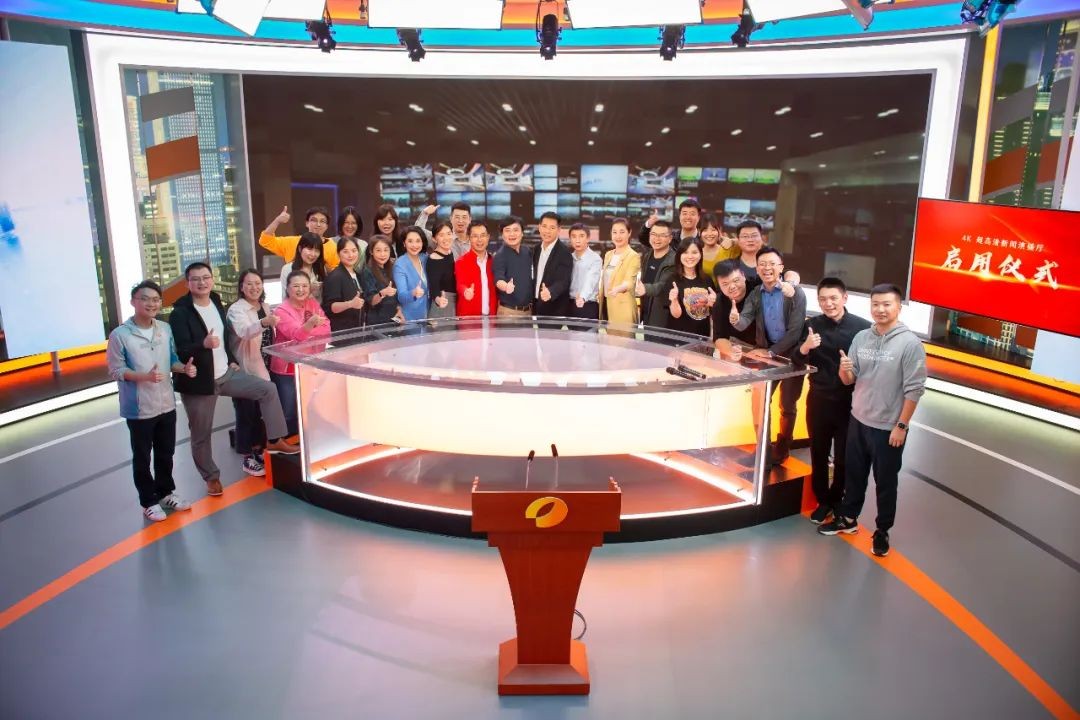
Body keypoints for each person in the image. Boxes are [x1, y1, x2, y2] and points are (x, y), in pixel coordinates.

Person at [169, 263, 298, 497]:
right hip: (199, 382)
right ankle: (211, 477)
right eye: (196, 279)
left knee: (268, 389)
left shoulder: (215, 302)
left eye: (206, 277)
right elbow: (180, 347)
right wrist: (203, 345)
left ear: (212, 279)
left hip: (226, 374)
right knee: (201, 433)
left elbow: (226, 337)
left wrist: (230, 359)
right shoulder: (180, 313)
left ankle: (274, 439)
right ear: (188, 283)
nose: (202, 282)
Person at [818, 284, 927, 557]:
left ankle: (882, 530)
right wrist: (844, 371)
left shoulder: (910, 344)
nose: (880, 309)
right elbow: (849, 380)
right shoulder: (862, 337)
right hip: (858, 419)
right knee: (854, 475)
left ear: (898, 307)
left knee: (885, 482)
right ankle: (849, 518)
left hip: (888, 428)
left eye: (886, 304)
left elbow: (914, 389)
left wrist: (901, 426)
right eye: (875, 304)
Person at [107, 280, 197, 521]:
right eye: (145, 299)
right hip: (139, 408)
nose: (151, 303)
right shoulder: (120, 335)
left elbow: (172, 359)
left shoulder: (164, 329)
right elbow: (116, 370)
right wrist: (144, 377)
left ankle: (166, 492)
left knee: (166, 452)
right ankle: (148, 501)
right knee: (142, 457)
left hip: (166, 403)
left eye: (156, 299)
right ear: (133, 302)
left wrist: (183, 368)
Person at [795, 277, 872, 524]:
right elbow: (796, 360)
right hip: (818, 399)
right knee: (817, 452)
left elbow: (871, 367)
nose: (828, 303)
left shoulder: (863, 328)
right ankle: (823, 501)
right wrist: (806, 347)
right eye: (823, 299)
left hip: (849, 403)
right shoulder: (811, 325)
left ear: (844, 298)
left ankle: (838, 500)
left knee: (844, 456)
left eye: (833, 298)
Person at [730, 247, 807, 464]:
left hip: (792, 356)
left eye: (772, 263)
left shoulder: (795, 293)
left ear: (781, 267)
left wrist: (771, 352)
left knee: (787, 404)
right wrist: (736, 319)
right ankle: (763, 450)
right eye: (762, 264)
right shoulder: (756, 293)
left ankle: (783, 448)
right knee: (761, 401)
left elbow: (795, 332)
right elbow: (744, 320)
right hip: (767, 355)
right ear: (757, 268)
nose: (767, 268)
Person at [226, 270, 279, 477]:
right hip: (244, 369)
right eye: (249, 284)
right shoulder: (236, 310)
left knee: (259, 413)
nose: (254, 287)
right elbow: (244, 332)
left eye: (258, 283)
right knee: (245, 413)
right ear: (241, 287)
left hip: (263, 366)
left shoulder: (265, 307)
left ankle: (257, 451)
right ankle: (246, 457)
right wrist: (264, 322)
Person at [271, 271, 332, 436]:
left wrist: (307, 330)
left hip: (309, 365)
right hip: (287, 369)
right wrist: (310, 325)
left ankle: (304, 440)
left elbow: (327, 328)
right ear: (287, 288)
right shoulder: (281, 311)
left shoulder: (312, 304)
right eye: (296, 286)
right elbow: (296, 336)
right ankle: (287, 443)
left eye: (305, 286)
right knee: (289, 411)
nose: (301, 290)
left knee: (308, 406)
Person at [260, 205, 339, 269]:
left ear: (327, 226)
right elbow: (266, 241)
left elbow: (336, 270)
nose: (318, 224)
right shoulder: (291, 242)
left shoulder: (332, 246)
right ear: (307, 223)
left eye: (322, 221)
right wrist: (277, 221)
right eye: (314, 220)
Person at [667, 239, 717, 337]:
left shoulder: (707, 279)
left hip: (703, 336)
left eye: (694, 252)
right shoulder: (672, 280)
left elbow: (713, 314)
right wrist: (674, 300)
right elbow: (676, 315)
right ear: (679, 255)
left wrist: (714, 304)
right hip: (680, 338)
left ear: (700, 255)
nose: (690, 256)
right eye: (685, 252)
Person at [600, 217, 641, 327]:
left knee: (623, 338)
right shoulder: (608, 255)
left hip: (624, 309)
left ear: (629, 233)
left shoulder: (633, 256)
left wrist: (617, 289)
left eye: (622, 232)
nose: (618, 236)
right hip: (607, 306)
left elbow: (629, 282)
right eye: (614, 232)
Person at [636, 219, 677, 328]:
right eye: (653, 234)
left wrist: (645, 289)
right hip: (647, 311)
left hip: (662, 315)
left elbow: (663, 285)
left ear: (670, 238)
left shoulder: (673, 260)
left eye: (662, 235)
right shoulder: (647, 255)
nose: (657, 239)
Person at [532, 211, 574, 317]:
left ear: (559, 230)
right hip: (535, 306)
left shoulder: (564, 252)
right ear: (539, 227)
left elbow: (563, 281)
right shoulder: (536, 249)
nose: (547, 231)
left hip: (553, 309)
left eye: (552, 228)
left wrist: (550, 292)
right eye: (544, 226)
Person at [321, 236, 366, 333]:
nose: (351, 255)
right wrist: (350, 304)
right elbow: (330, 307)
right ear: (338, 254)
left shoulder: (358, 274)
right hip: (341, 332)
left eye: (354, 251)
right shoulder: (335, 277)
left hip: (357, 329)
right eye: (345, 252)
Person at [493, 216, 534, 317]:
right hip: (509, 312)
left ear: (522, 233)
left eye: (516, 230)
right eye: (507, 230)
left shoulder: (527, 251)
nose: (512, 234)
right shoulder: (500, 255)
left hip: (528, 311)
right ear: (502, 234)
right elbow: (498, 279)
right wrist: (506, 287)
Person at [455, 220, 498, 317]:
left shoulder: (494, 261)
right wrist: (465, 291)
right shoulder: (461, 262)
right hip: (469, 319)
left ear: (488, 237)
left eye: (483, 235)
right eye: (475, 236)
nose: (479, 240)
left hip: (491, 318)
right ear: (469, 238)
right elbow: (460, 284)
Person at [360, 235, 403, 325]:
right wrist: (382, 293)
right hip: (377, 321)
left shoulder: (392, 267)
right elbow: (371, 301)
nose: (383, 254)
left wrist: (399, 310)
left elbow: (396, 297)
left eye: (386, 250)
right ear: (371, 251)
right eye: (378, 250)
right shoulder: (367, 271)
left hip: (393, 318)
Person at [393, 225, 430, 321]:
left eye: (418, 241)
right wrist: (413, 293)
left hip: (428, 315)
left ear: (422, 242)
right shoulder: (400, 264)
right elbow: (401, 296)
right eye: (410, 241)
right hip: (409, 317)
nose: (414, 245)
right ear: (404, 243)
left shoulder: (425, 258)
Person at [567, 222, 602, 322]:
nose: (577, 240)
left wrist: (582, 297)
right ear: (570, 239)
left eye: (581, 236)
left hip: (587, 306)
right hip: (569, 305)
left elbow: (591, 281)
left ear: (588, 238)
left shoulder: (595, 259)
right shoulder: (568, 258)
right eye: (574, 236)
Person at [279, 232, 326, 303]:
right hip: (295, 309)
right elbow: (286, 298)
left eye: (317, 250)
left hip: (317, 309)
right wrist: (309, 291)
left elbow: (323, 299)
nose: (313, 254)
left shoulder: (320, 268)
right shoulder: (288, 269)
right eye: (309, 249)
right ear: (300, 249)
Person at [426, 222, 457, 318]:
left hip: (454, 303)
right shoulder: (433, 259)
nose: (446, 238)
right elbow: (433, 286)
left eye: (449, 234)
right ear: (434, 239)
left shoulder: (450, 253)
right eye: (441, 235)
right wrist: (438, 299)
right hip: (442, 304)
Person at [698, 213, 729, 279]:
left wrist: (732, 241)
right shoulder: (696, 254)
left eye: (713, 230)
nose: (709, 234)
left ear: (719, 231)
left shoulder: (727, 249)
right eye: (705, 230)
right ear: (699, 232)